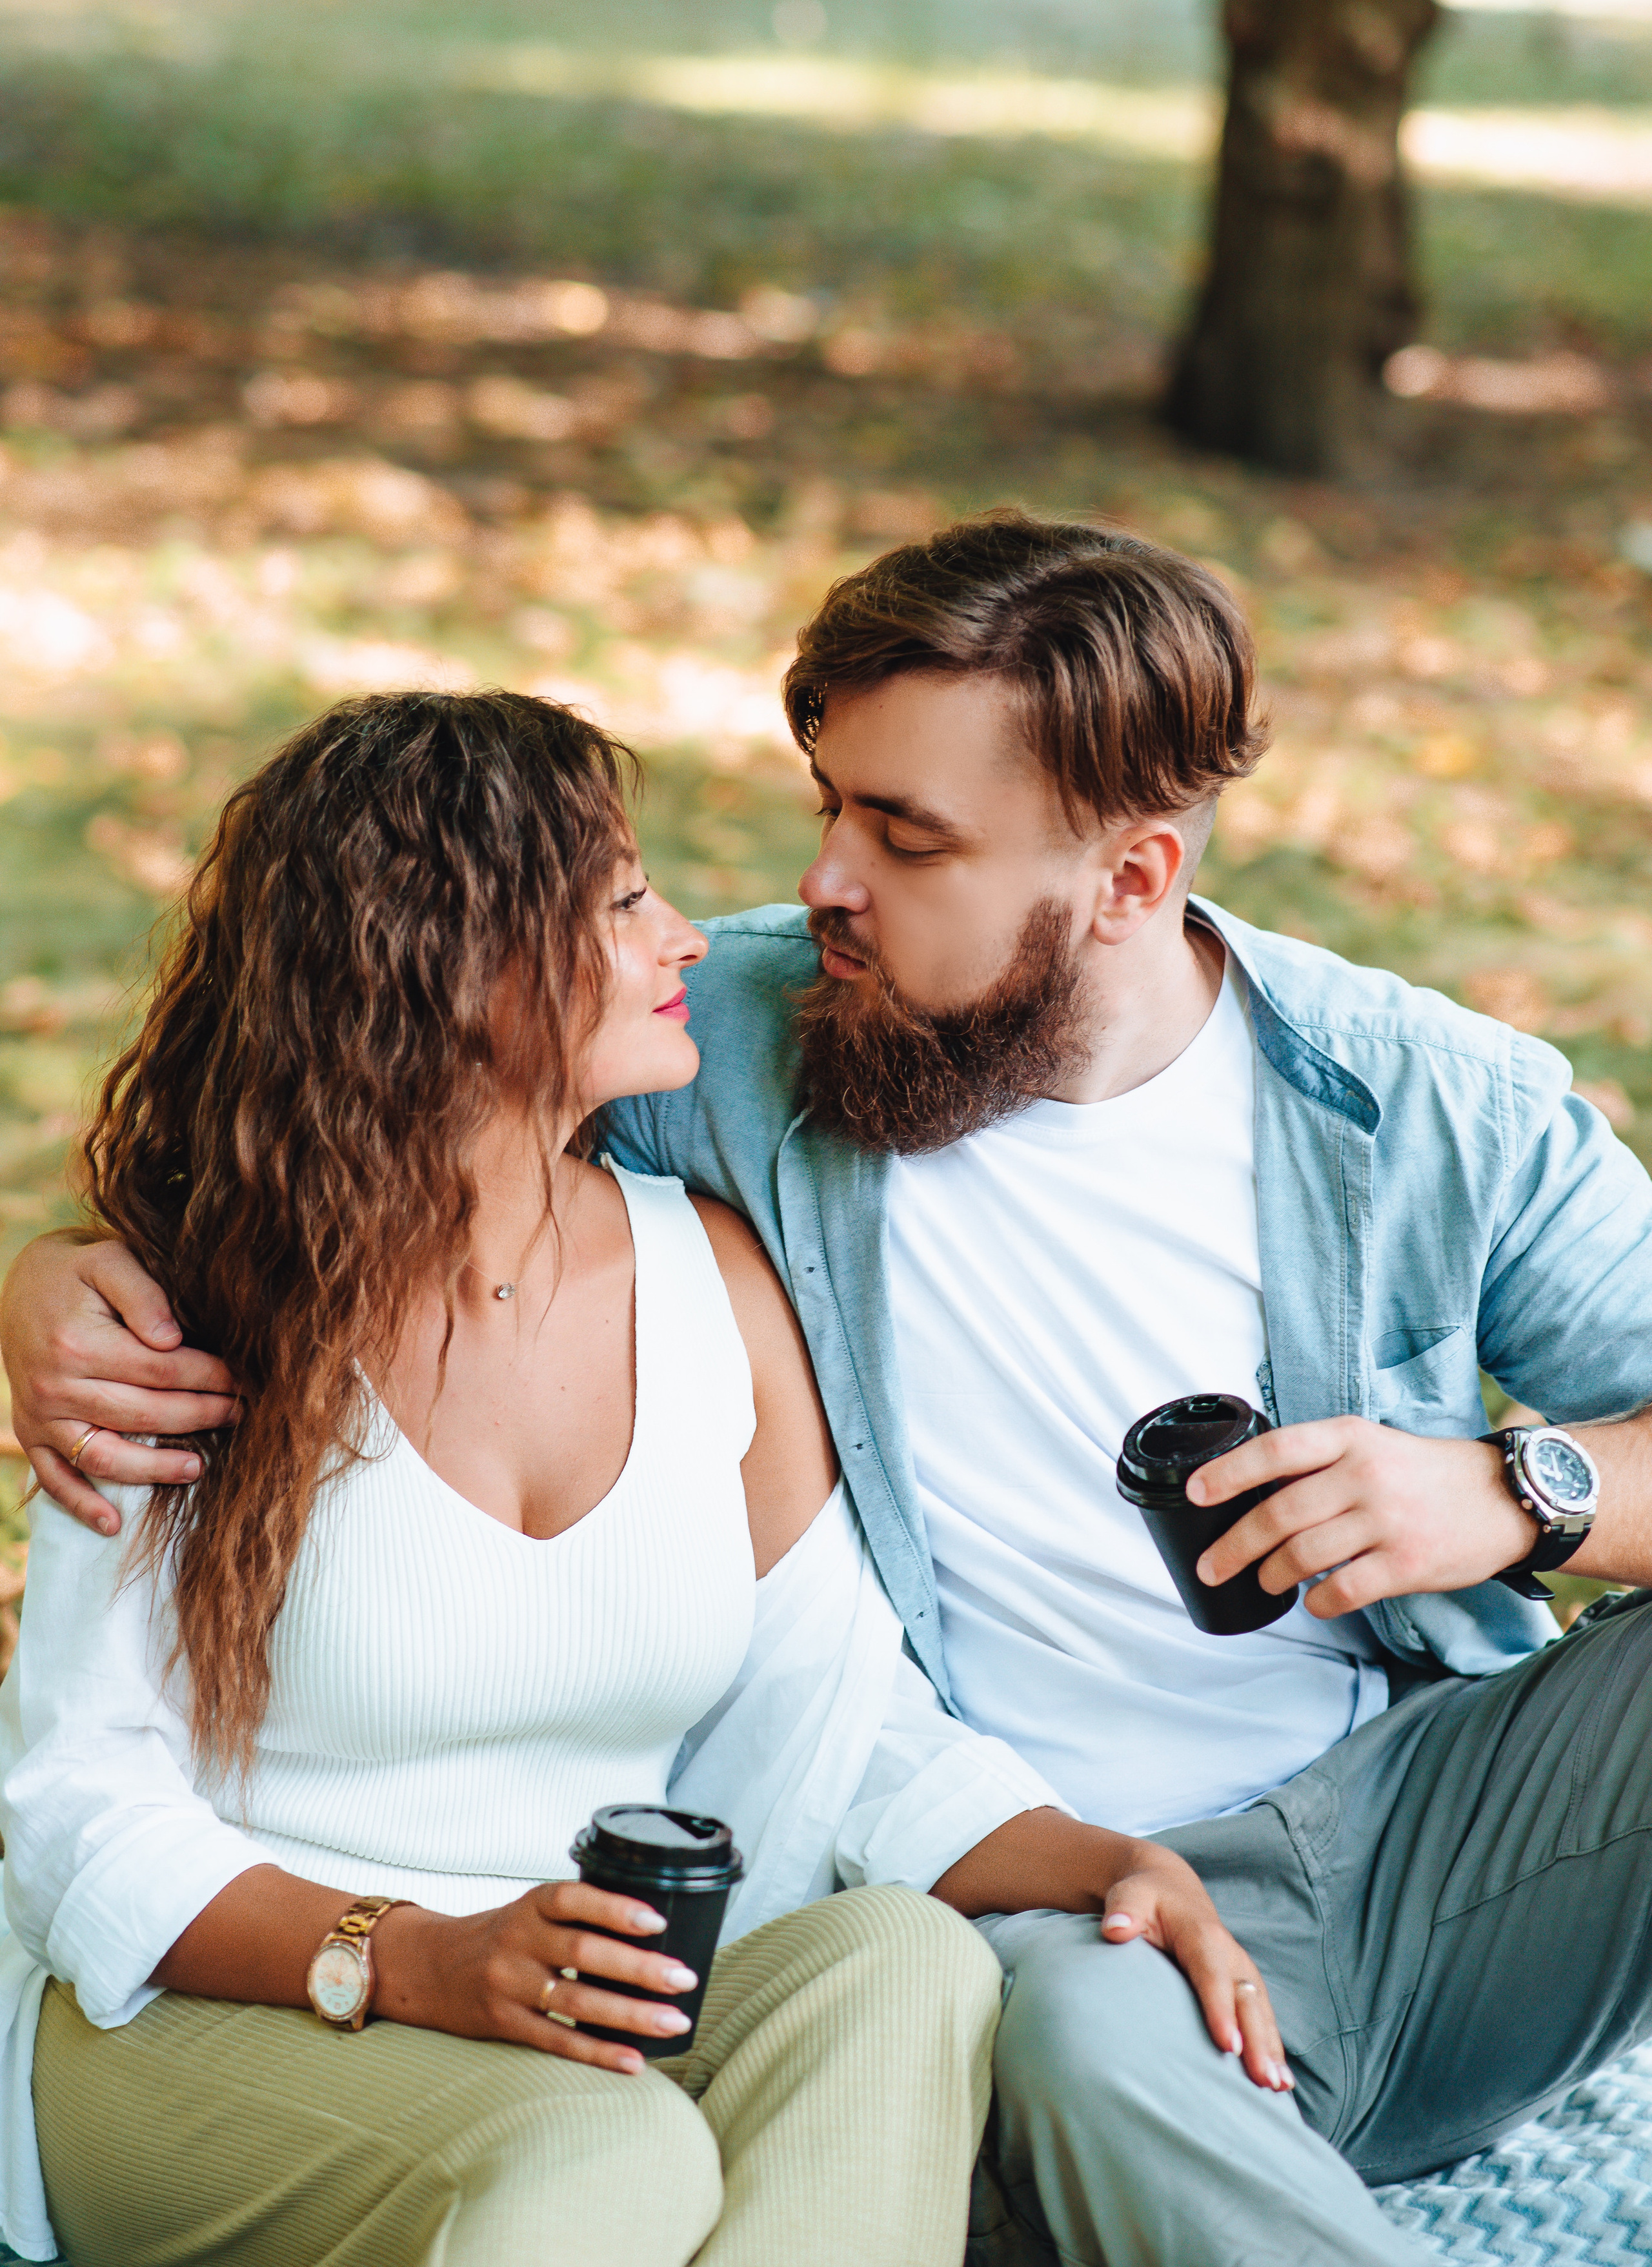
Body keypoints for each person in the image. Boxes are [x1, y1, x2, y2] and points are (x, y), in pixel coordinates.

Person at [14, 516, 1652, 2266]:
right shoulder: (726, 1046)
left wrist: (1521, 1494)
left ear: (1132, 874)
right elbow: (342, 1088)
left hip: (1409, 1828)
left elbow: (832, 1692)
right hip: (1042, 1927)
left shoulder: (1424, 1104)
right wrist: (51, 1281)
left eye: (908, 834)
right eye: (830, 804)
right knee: (963, 2016)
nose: (814, 887)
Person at [0, 687, 1290, 2267]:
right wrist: (416, 1959)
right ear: (455, 962)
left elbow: (840, 1714)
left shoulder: (711, 1284)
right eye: (622, 900)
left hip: (568, 2008)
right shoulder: (177, 1320)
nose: (685, 934)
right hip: (215, 2013)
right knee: (607, 2151)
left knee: (901, 1961)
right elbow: (75, 1807)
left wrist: (1109, 1858)